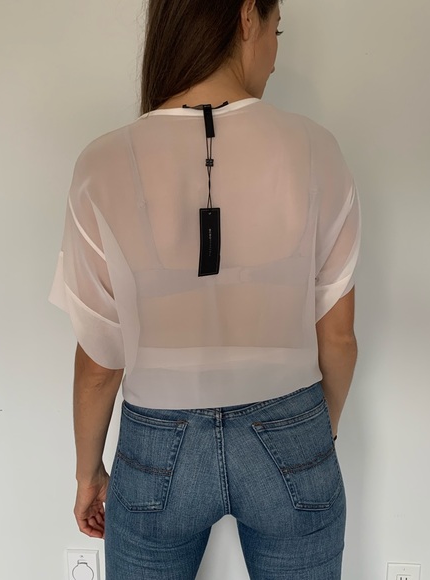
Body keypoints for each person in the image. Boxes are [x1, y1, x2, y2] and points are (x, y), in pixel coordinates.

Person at [48, 0, 360, 578]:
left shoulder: (101, 163)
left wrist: (88, 473)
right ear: (248, 17)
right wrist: (316, 437)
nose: (275, 54)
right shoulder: (318, 149)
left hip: (155, 442)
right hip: (292, 426)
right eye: (277, 29)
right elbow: (338, 339)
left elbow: (99, 363)